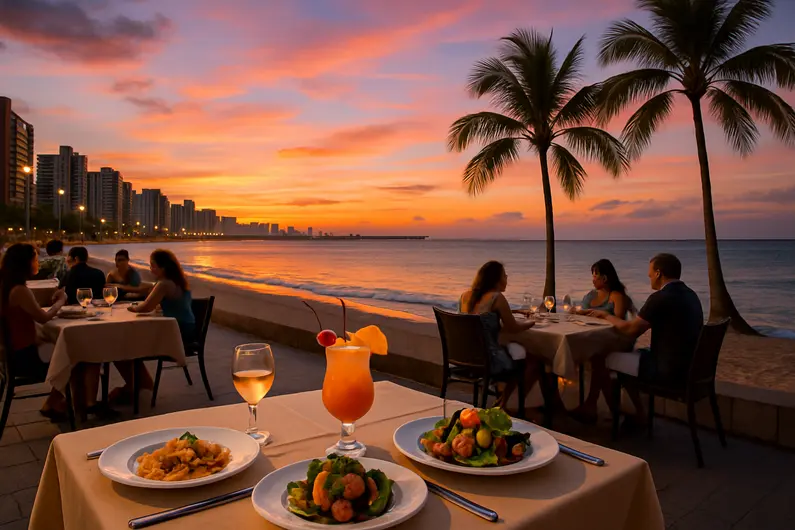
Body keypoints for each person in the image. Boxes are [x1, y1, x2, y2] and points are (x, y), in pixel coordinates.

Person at [583, 253, 704, 424]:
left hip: (666, 370)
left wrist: (605, 316)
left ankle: (613, 412)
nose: (649, 278)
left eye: (650, 274)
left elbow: (630, 330)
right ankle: (629, 412)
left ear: (658, 273)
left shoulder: (660, 298)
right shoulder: (691, 295)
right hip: (689, 367)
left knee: (605, 359)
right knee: (630, 356)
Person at [0, 243, 76, 418]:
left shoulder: (5, 286)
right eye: (35, 259)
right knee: (77, 354)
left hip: (11, 355)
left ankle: (58, 403)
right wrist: (60, 301)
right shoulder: (19, 290)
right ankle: (59, 404)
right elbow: (43, 317)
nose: (38, 263)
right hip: (26, 357)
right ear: (24, 263)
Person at [112, 250, 196, 403]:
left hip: (176, 333)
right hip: (188, 328)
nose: (151, 270)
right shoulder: (180, 281)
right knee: (124, 344)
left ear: (163, 268)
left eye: (153, 266)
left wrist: (128, 308)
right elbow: (170, 305)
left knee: (120, 346)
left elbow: (145, 307)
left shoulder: (163, 283)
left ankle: (138, 386)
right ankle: (139, 384)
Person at [459, 261, 537, 408]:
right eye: (504, 275)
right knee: (533, 361)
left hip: (466, 358)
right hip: (490, 361)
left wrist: (514, 311)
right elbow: (514, 327)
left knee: (514, 354)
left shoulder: (465, 296)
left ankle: (501, 403)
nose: (506, 278)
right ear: (496, 279)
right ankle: (506, 405)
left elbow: (480, 313)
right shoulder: (497, 297)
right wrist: (532, 322)